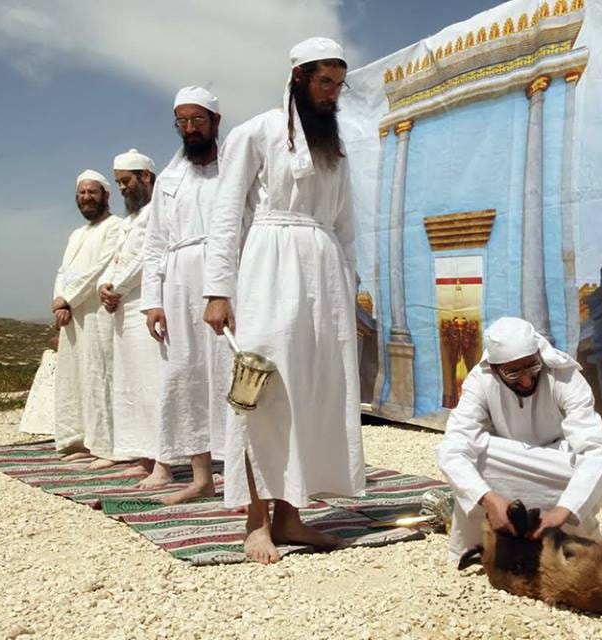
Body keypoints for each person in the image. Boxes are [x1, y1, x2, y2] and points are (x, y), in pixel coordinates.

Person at [202, 37, 365, 564]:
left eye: (339, 85)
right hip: (269, 266)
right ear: (299, 77)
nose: (333, 95)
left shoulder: (335, 150)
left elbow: (345, 228)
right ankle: (256, 522)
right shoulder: (256, 132)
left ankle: (292, 517)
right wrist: (217, 291)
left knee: (312, 392)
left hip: (324, 277)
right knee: (261, 390)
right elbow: (227, 216)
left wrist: (350, 290)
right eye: (325, 83)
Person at [436, 316, 602, 562]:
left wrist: (564, 510)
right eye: (513, 373)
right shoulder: (481, 381)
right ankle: (483, 548)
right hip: (507, 458)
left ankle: (577, 547)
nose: (526, 380)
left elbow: (595, 452)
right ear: (496, 370)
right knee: (473, 456)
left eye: (532, 367)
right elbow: (453, 449)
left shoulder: (565, 376)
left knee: (585, 467)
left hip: (557, 462)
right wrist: (489, 500)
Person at [140, 86, 228, 500]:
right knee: (186, 374)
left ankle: (247, 474)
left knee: (231, 371)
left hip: (227, 277)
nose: (190, 129)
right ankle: (201, 478)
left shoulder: (236, 169)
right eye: (183, 122)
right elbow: (155, 242)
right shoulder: (170, 180)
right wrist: (153, 300)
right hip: (177, 282)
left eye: (198, 120)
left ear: (215, 122)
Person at [98, 148, 162, 474]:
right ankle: (143, 457)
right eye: (118, 183)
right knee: (130, 387)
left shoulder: (158, 213)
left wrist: (118, 288)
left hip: (145, 305)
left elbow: (148, 257)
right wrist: (105, 285)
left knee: (153, 385)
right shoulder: (129, 222)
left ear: (145, 177)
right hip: (123, 308)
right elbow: (119, 259)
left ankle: (163, 459)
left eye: (126, 181)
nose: (122, 188)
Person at [53, 170, 121, 465]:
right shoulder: (76, 235)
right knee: (76, 379)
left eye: (92, 192)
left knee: (100, 377)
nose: (86, 198)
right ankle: (81, 441)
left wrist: (68, 298)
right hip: (73, 318)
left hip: (97, 316)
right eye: (81, 193)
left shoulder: (115, 227)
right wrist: (60, 302)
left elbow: (100, 269)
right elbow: (64, 272)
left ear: (106, 195)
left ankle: (109, 447)